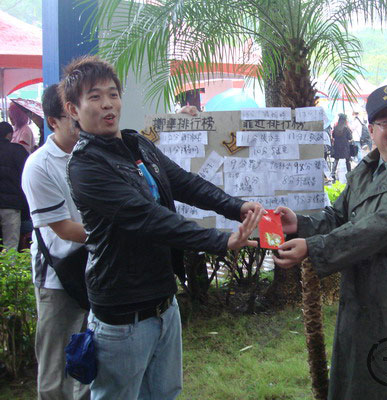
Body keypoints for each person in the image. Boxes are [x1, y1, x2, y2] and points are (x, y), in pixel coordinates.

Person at [61, 55, 263, 399]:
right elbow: (146, 217)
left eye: (113, 94)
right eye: (95, 97)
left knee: (164, 392)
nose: (108, 104)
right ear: (73, 109)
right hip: (123, 311)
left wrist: (237, 206)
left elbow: (185, 183)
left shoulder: (136, 144)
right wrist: (219, 239)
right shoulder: (86, 166)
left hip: (163, 301)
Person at [273, 84, 387, 399]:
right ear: (371, 129)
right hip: (361, 294)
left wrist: (314, 247)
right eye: (386, 122)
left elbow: (378, 227)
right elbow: (338, 217)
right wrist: (299, 224)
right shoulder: (366, 171)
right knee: (358, 375)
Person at [21, 84, 90, 400]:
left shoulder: (91, 154)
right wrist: (114, 235)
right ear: (53, 121)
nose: (81, 122)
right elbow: (63, 228)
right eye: (72, 118)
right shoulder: (40, 165)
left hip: (95, 270)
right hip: (58, 277)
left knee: (91, 360)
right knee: (55, 368)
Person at [0, 121, 28, 250]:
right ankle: (10, 270)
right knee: (10, 244)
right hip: (11, 205)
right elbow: (27, 176)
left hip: (10, 202)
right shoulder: (17, 151)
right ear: (9, 135)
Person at [331, 113, 353, 181]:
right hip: (345, 147)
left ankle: (333, 173)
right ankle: (349, 172)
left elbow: (333, 136)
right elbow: (350, 137)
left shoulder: (335, 127)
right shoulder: (346, 128)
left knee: (336, 160)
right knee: (347, 160)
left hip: (337, 147)